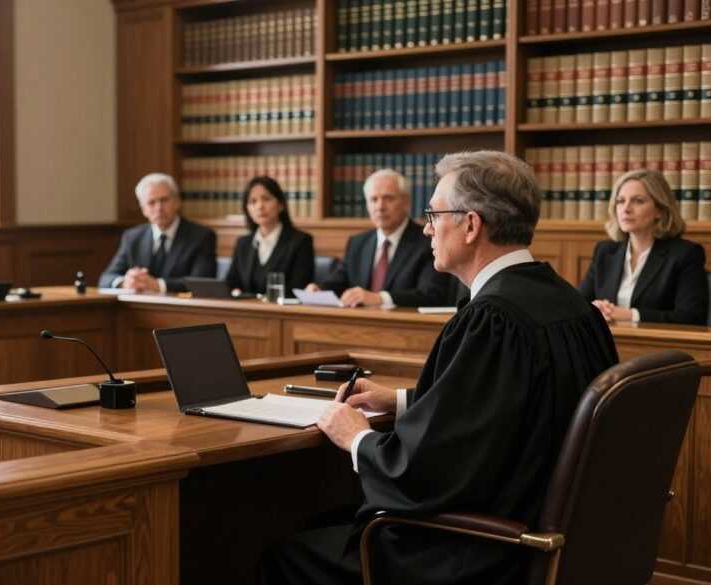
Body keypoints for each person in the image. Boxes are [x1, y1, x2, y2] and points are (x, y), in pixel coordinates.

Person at [259, 151, 619, 585]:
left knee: (285, 552)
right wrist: (398, 399)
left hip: (481, 549)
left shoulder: (494, 317)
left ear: (470, 225)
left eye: (434, 213)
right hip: (552, 534)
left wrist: (355, 438)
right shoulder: (571, 303)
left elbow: (424, 475)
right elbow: (507, 406)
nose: (427, 227)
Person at [579, 169, 708, 325]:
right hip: (606, 341)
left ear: (659, 210)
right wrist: (594, 307)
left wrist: (630, 315)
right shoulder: (605, 251)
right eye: (620, 201)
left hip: (660, 346)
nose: (626, 209)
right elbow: (577, 304)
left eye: (638, 201)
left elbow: (691, 317)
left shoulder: (686, 254)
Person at [308, 169, 450, 307]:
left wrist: (380, 298)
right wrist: (319, 291)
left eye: (388, 198)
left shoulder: (428, 241)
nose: (380, 206)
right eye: (373, 199)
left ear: (406, 203)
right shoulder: (358, 243)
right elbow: (339, 282)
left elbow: (431, 294)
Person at [99, 173, 216, 293]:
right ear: (144, 210)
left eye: (164, 200)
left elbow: (202, 283)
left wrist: (158, 285)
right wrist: (125, 282)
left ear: (177, 202)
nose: (159, 208)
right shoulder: (133, 237)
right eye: (151, 203)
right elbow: (106, 278)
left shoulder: (201, 237)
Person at [224, 176, 314, 297]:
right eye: (253, 201)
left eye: (266, 199)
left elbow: (299, 288)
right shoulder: (243, 243)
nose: (260, 206)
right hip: (245, 311)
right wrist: (235, 291)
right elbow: (230, 283)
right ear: (247, 209)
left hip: (282, 313)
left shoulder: (300, 241)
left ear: (281, 204)